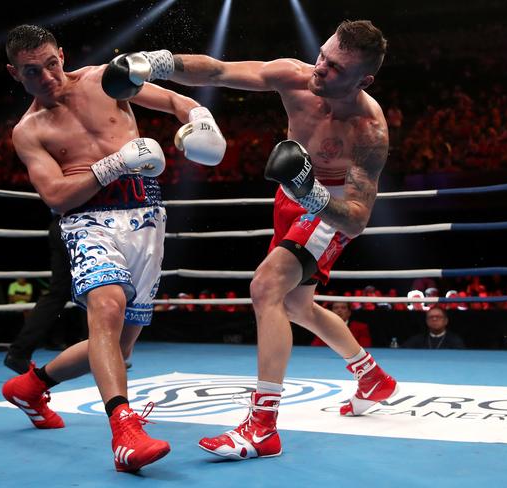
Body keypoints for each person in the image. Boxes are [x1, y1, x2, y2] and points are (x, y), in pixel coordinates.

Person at [103, 19, 398, 459]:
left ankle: (262, 427)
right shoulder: (295, 77)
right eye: (322, 55)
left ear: (364, 79)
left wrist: (311, 193)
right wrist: (155, 63)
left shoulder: (368, 129)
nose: (319, 69)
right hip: (290, 201)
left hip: (328, 207)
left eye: (335, 68)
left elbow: (355, 220)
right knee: (297, 305)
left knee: (265, 287)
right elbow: (218, 71)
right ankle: (370, 376)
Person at [0, 25, 226, 472]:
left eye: (51, 63)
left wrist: (201, 119)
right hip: (88, 220)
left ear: (61, 54)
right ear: (14, 74)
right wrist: (116, 163)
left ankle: (30, 386)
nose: (47, 76)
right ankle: (124, 433)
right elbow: (57, 197)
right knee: (106, 307)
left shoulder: (107, 78)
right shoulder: (28, 131)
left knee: (117, 351)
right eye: (32, 71)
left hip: (145, 216)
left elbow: (177, 101)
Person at [3, 214, 87, 374]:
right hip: (80, 225)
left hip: (64, 223)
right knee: (93, 287)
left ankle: (18, 352)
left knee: (59, 293)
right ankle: (100, 356)